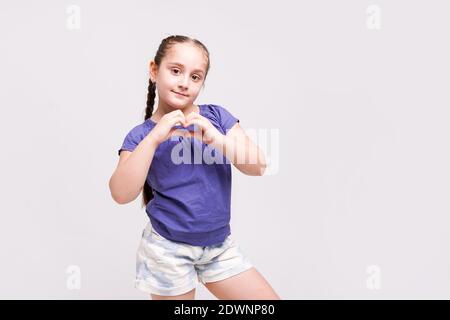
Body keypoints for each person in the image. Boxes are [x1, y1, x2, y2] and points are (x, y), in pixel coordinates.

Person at [109, 34, 280, 300]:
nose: (184, 83)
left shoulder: (216, 118)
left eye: (195, 76)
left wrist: (218, 140)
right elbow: (121, 193)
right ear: (154, 70)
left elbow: (258, 166)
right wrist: (155, 138)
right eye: (175, 71)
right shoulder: (141, 135)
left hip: (220, 247)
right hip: (167, 249)